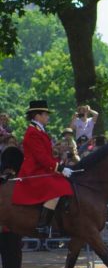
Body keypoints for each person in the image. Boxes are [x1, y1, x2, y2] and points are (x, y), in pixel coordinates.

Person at [11, 100, 75, 233]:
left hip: (43, 168)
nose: (48, 117)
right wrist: (60, 168)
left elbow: (46, 155)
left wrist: (59, 160)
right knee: (57, 189)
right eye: (45, 114)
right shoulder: (33, 132)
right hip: (34, 171)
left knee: (66, 183)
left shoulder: (39, 130)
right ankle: (42, 224)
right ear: (37, 116)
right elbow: (41, 157)